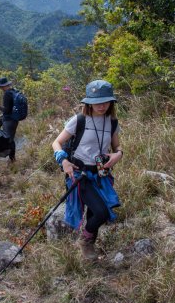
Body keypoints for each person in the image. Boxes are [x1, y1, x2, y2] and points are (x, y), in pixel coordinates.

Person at [52, 80, 124, 260]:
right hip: (79, 173)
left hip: (101, 173)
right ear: (88, 102)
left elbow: (117, 147)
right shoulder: (79, 120)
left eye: (106, 102)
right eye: (97, 102)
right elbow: (56, 142)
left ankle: (89, 246)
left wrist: (118, 155)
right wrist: (64, 161)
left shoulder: (112, 122)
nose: (102, 106)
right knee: (102, 212)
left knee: (95, 213)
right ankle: (85, 241)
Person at [0, 77, 18, 161]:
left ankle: (12, 159)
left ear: (2, 86)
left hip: (9, 120)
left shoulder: (7, 94)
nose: (0, 88)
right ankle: (11, 158)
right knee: (10, 138)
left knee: (9, 139)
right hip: (14, 119)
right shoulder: (14, 91)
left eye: (0, 87)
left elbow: (6, 110)